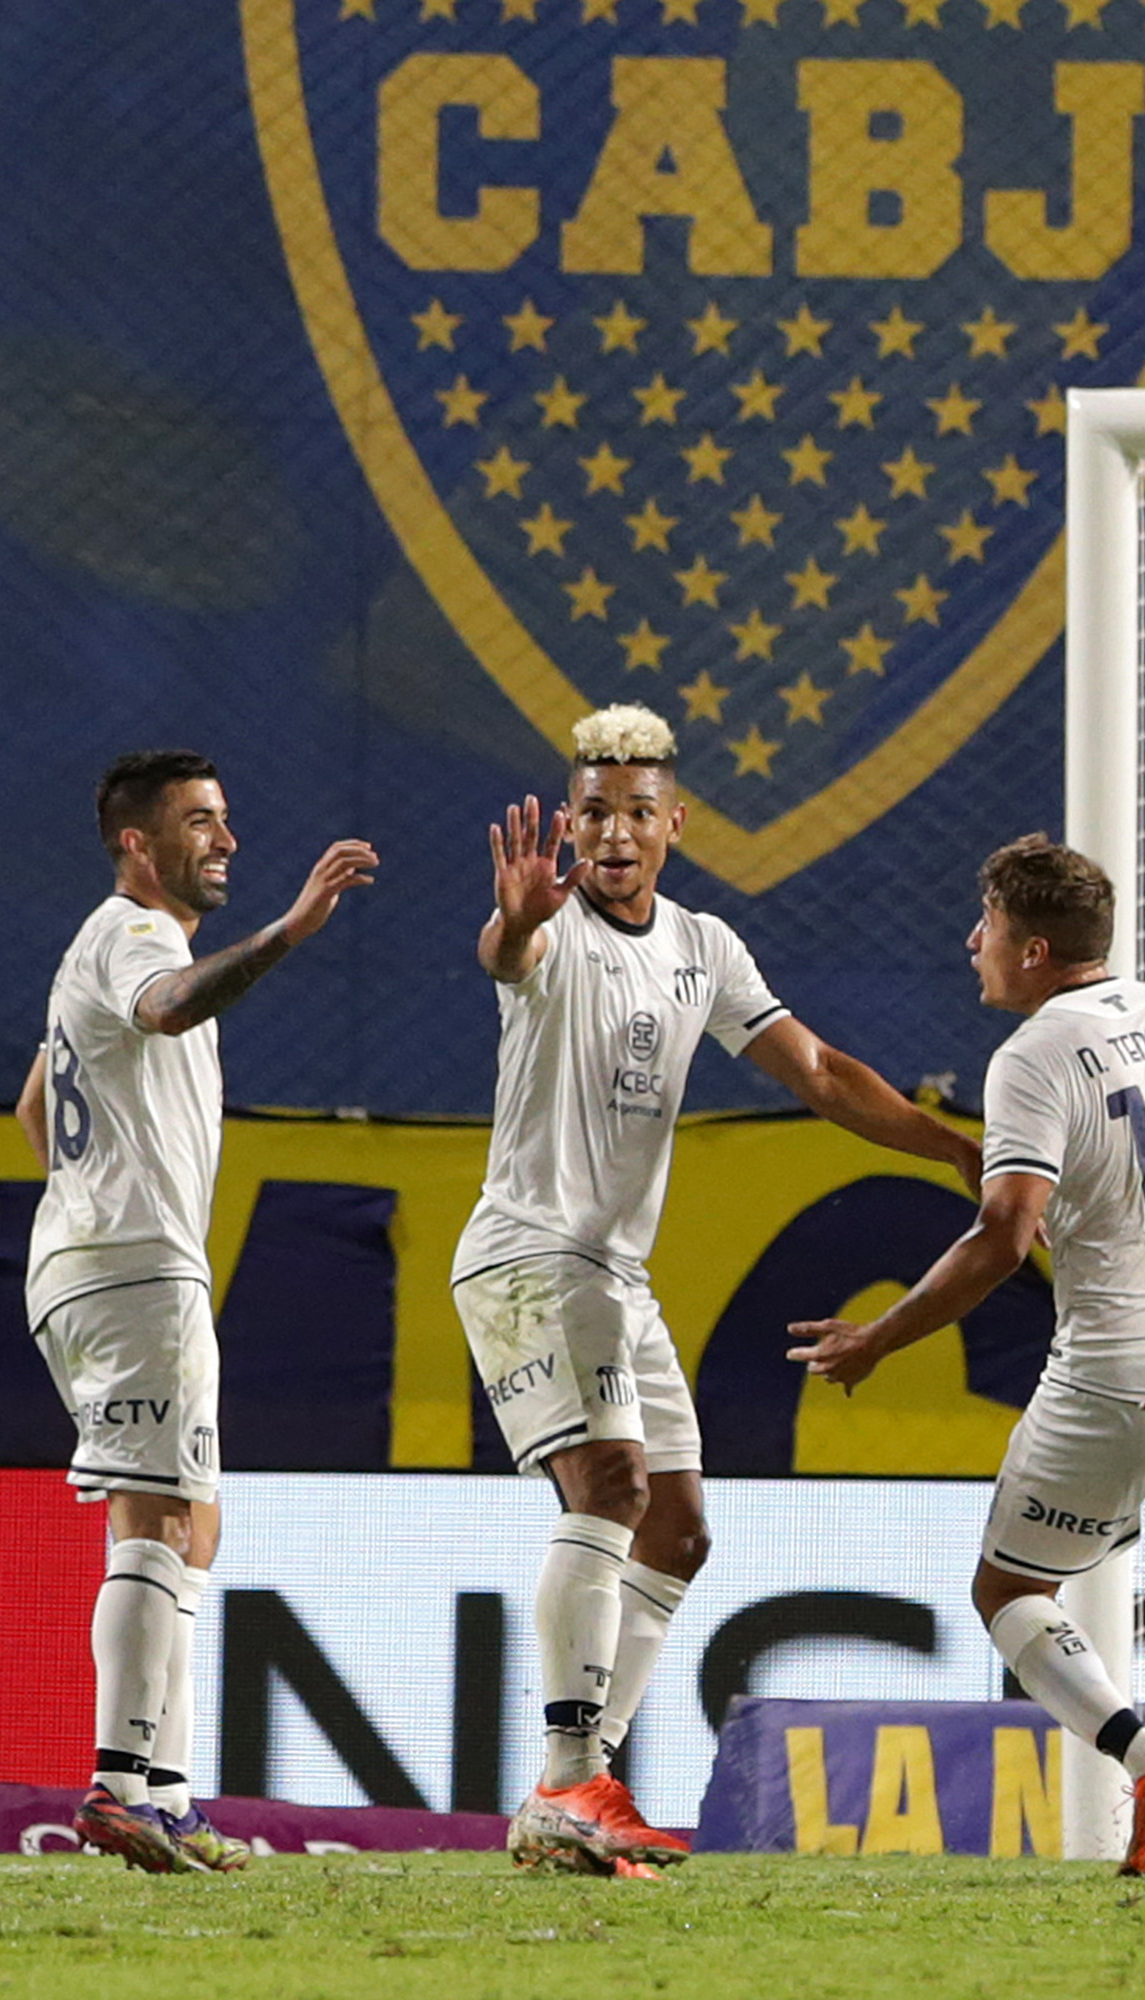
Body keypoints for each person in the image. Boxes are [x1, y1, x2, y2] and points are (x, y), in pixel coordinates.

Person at [463, 704, 986, 1879]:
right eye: (592, 809)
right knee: (608, 1481)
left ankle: (573, 1786)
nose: (612, 831)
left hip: (612, 1275)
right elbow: (510, 955)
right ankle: (565, 1778)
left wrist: (946, 1146)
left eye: (636, 812)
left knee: (681, 1529)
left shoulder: (704, 946)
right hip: (529, 1258)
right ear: (572, 821)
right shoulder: (549, 928)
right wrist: (511, 922)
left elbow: (816, 1069)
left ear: (674, 825)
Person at [787, 835, 1145, 1877]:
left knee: (1007, 1591)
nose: (973, 944)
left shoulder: (1034, 1057)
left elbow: (1004, 1236)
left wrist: (879, 1334)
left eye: (989, 927)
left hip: (1125, 1366)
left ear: (1037, 948)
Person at [15, 749, 376, 1875]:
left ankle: (165, 1794)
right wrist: (289, 931)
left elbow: (34, 1102)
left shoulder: (94, 942)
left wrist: (87, 1199)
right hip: (132, 1266)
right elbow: (168, 1008)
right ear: (138, 841)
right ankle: (123, 1784)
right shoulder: (136, 935)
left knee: (190, 1524)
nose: (224, 839)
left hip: (97, 1256)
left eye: (226, 819)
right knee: (155, 1518)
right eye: (200, 821)